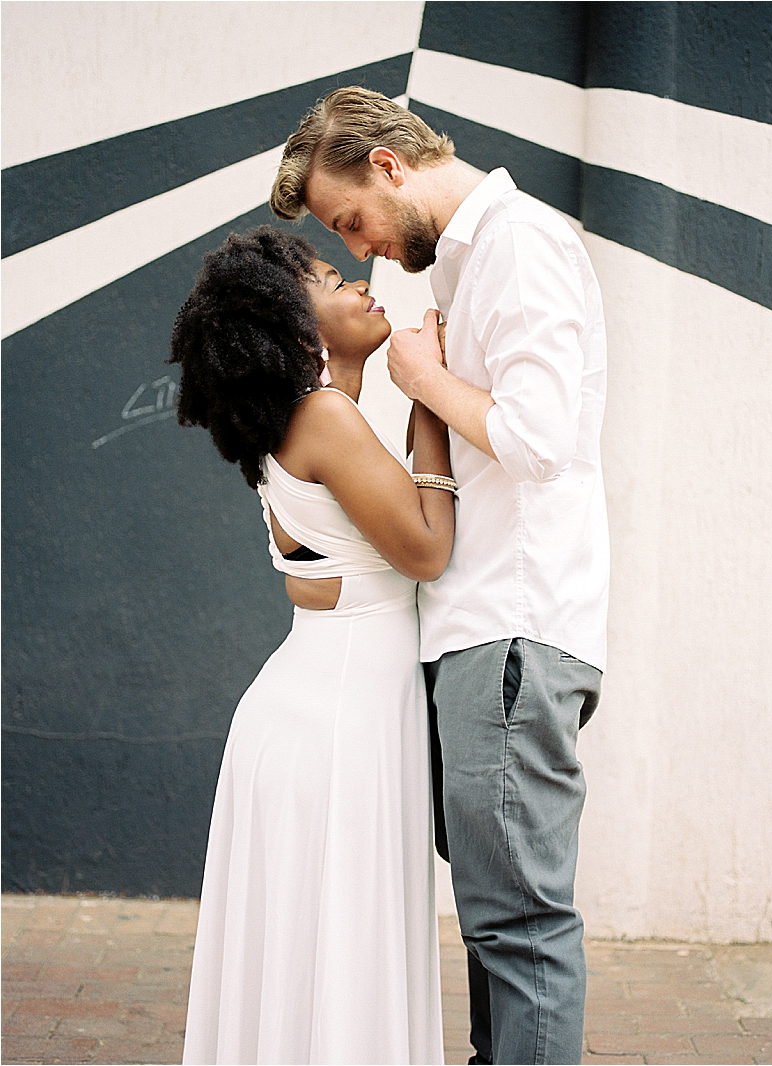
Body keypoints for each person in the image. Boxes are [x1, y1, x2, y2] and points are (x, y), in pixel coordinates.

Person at [271, 88, 609, 1066]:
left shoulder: (516, 243)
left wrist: (418, 381)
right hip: (484, 626)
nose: (363, 247)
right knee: (494, 926)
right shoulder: (469, 261)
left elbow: (540, 443)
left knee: (519, 930)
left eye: (351, 222)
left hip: (512, 621)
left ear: (385, 166)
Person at [170, 224, 453, 1065]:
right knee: (346, 941)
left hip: (312, 701)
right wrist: (433, 399)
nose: (362, 281)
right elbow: (428, 550)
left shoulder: (299, 422)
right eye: (332, 280)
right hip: (343, 716)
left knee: (309, 954)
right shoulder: (324, 416)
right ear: (298, 333)